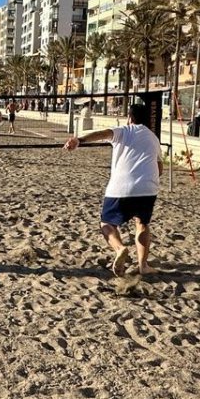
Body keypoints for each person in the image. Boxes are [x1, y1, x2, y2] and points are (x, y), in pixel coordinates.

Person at [63, 102, 162, 277]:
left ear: (129, 118)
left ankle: (120, 248)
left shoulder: (124, 130)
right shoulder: (153, 138)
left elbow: (102, 134)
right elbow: (160, 168)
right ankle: (143, 265)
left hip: (121, 187)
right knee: (142, 224)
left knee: (107, 223)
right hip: (148, 187)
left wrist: (79, 140)